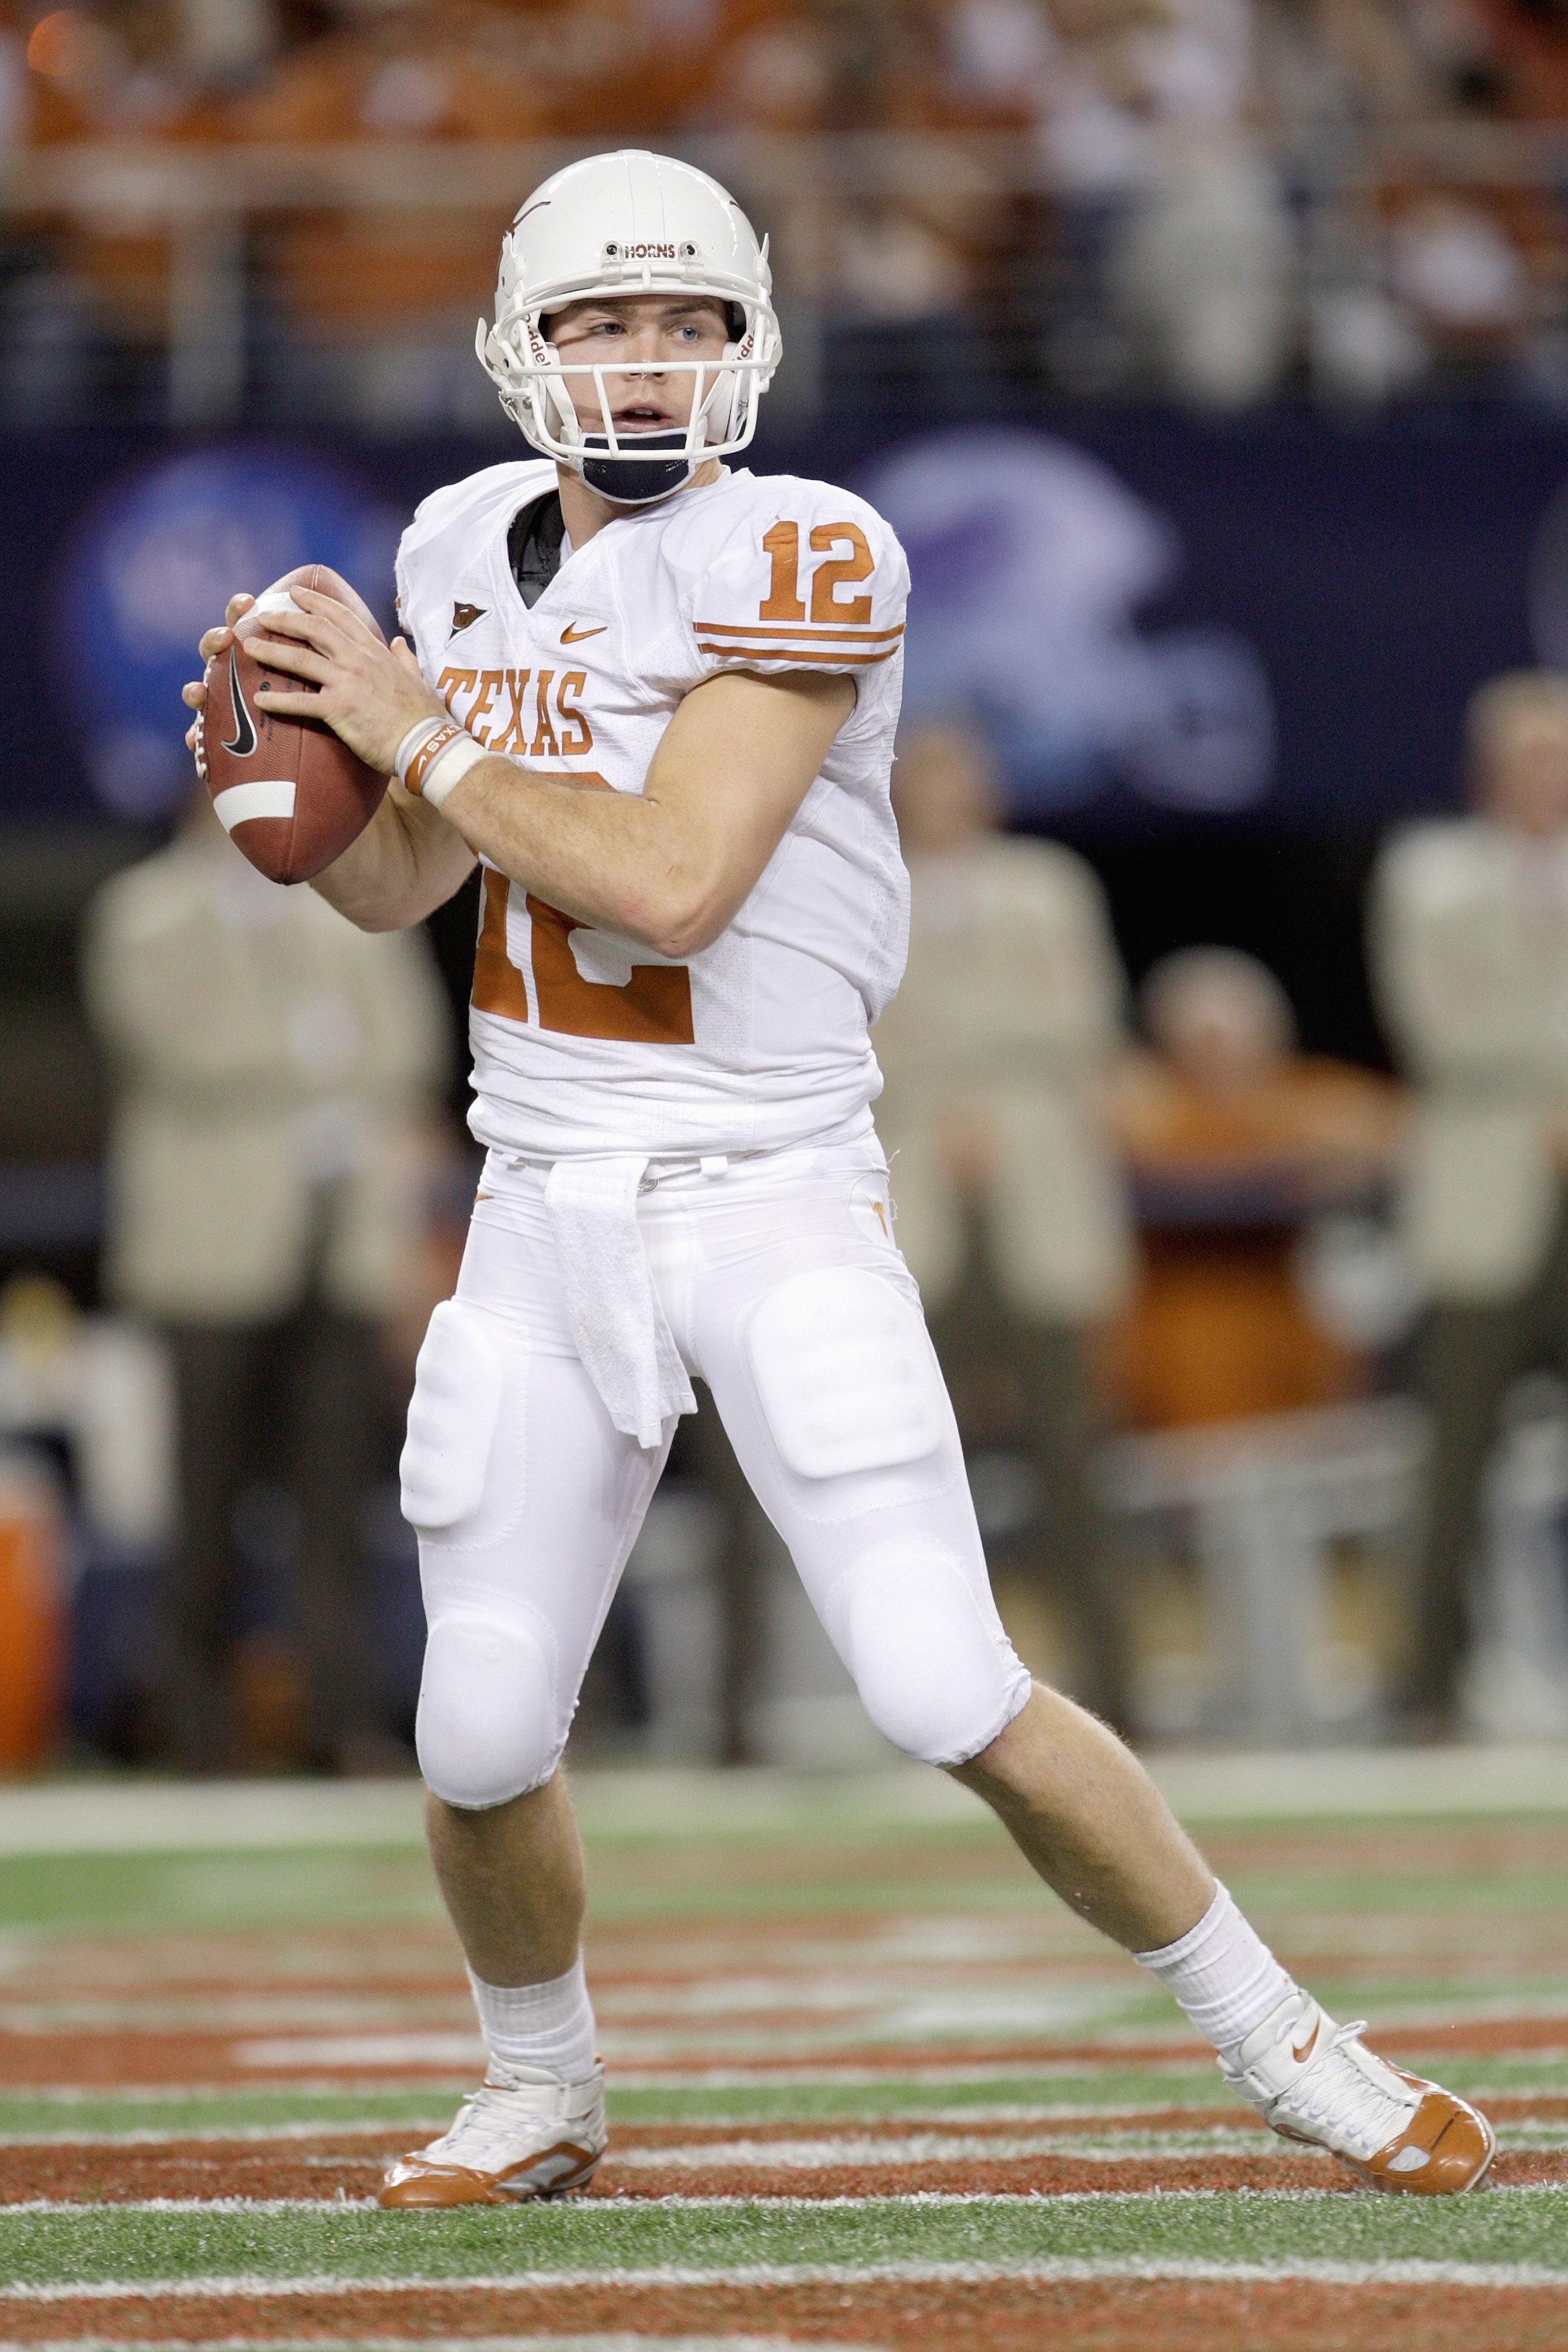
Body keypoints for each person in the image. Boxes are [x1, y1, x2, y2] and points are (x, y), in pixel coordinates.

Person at [183, 148, 1491, 2207]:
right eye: (604, 317)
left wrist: (415, 731)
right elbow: (405, 884)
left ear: (752, 343)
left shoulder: (804, 543)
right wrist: (301, 786)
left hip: (769, 1180)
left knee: (940, 1678)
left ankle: (1288, 2038)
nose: (646, 357)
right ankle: (540, 2082)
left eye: (685, 317)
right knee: (478, 1722)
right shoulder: (449, 543)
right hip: (539, 1200)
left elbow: (672, 881)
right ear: (521, 347)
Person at [82, 783, 451, 1771]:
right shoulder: (145, 911)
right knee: (203, 1500)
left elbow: (411, 1044)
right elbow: (175, 1047)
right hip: (209, 1247)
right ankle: (198, 1726)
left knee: (338, 1498)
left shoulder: (350, 900)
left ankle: (338, 1719)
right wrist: (315, 1062)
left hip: (336, 1243)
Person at [874, 719, 1135, 1727]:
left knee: (1074, 1459)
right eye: (924, 780)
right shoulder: (866, 878)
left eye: (958, 779)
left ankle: (1112, 1687)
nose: (941, 798)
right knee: (906, 1468)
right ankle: (923, 1696)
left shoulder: (1047, 884)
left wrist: (944, 1043)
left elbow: (1080, 1018)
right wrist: (979, 1047)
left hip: (1038, 1206)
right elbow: (852, 1027)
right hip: (915, 1209)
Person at [1373, 670, 1568, 1730]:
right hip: (1482, 1199)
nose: (1548, 773)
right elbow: (1437, 1027)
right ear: (1487, 767)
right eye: (1530, 753)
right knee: (1451, 1456)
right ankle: (1424, 1690)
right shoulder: (1431, 871)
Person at [1114, 946, 1402, 1429]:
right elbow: (1124, 1139)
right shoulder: (1148, 1104)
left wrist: (1319, 1157)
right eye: (1205, 1044)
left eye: (1237, 1040)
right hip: (1179, 1343)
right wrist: (1280, 1164)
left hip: (1299, 1335)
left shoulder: (1300, 1094)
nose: (1224, 1059)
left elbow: (1389, 1131)